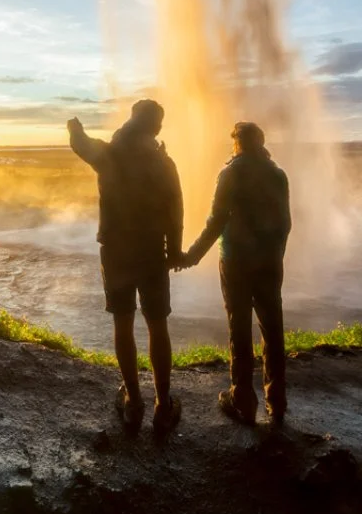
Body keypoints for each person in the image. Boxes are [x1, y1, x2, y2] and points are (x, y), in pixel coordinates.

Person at [68, 101, 185, 434]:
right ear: (157, 127)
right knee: (157, 325)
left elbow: (80, 144)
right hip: (152, 252)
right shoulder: (164, 162)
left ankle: (133, 401)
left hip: (116, 251)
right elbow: (176, 208)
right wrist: (174, 250)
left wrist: (74, 128)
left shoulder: (110, 155)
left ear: (131, 120)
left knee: (123, 323)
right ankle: (163, 405)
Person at [179, 121, 291, 427]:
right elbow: (285, 223)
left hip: (236, 261)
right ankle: (276, 401)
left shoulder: (230, 173)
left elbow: (217, 220)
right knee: (273, 328)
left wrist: (192, 256)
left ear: (238, 144)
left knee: (239, 326)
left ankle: (242, 400)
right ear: (261, 141)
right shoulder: (278, 175)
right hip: (270, 263)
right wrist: (276, 255)